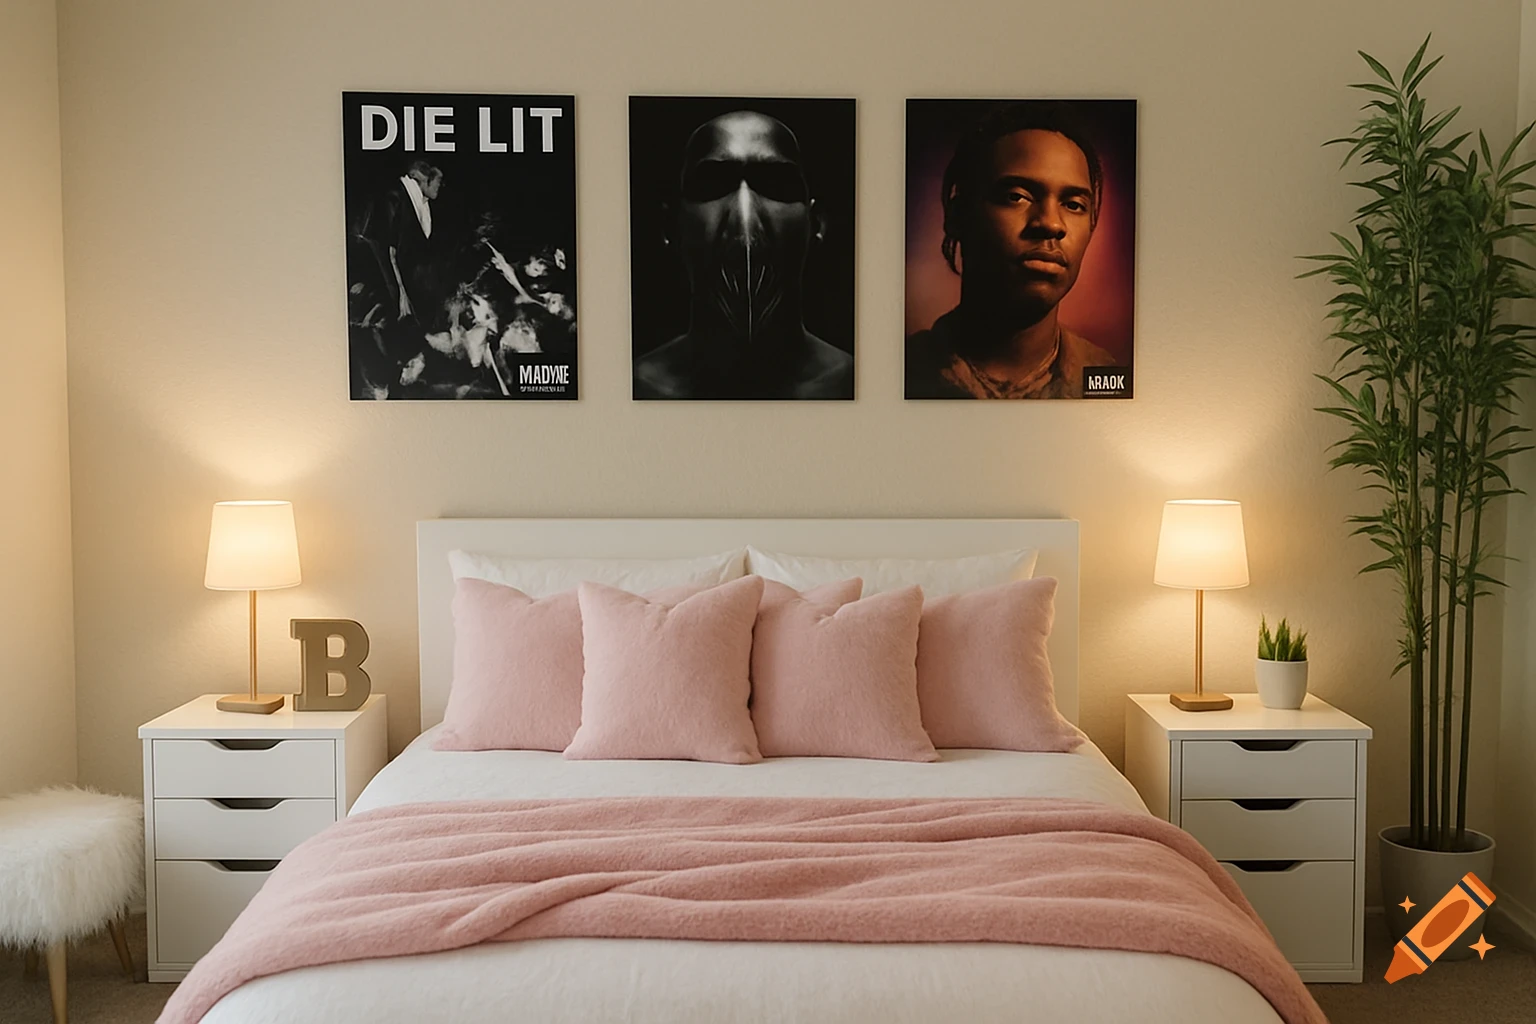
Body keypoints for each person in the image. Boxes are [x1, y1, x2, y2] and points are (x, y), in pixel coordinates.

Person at [634, 110, 853, 400]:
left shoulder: (854, 381)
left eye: (776, 185)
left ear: (815, 223)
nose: (745, 215)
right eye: (712, 185)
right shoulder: (637, 385)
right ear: (671, 226)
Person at [906, 103, 1117, 399]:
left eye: (1073, 205)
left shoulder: (1103, 373)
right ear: (957, 216)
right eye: (1016, 196)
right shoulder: (905, 373)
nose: (1052, 223)